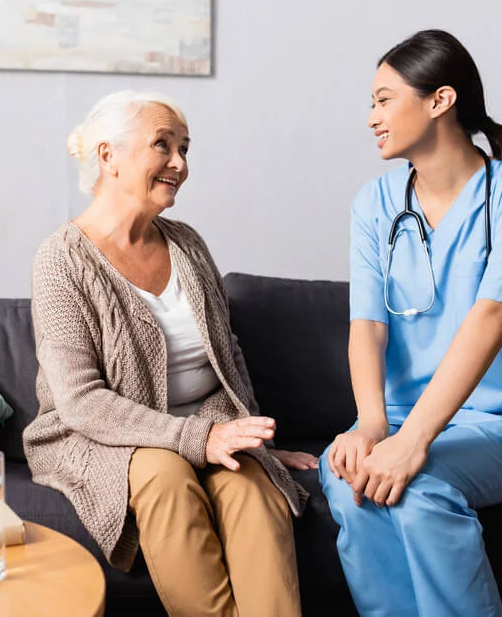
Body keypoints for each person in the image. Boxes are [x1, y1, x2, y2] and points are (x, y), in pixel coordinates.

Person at [23, 90, 316, 617]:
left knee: (252, 488)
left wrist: (249, 436)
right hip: (103, 438)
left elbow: (228, 356)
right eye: (164, 146)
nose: (180, 164)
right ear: (108, 155)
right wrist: (198, 439)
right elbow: (82, 403)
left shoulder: (187, 243)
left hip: (209, 423)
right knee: (165, 476)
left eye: (185, 149)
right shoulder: (60, 261)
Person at [320, 29, 502, 617]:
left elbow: (493, 313)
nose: (370, 117)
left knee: (418, 487)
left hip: (501, 424)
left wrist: (414, 442)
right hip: (398, 416)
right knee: (350, 482)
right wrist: (374, 425)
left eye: (383, 99)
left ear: (439, 100)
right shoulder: (375, 203)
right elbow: (368, 325)